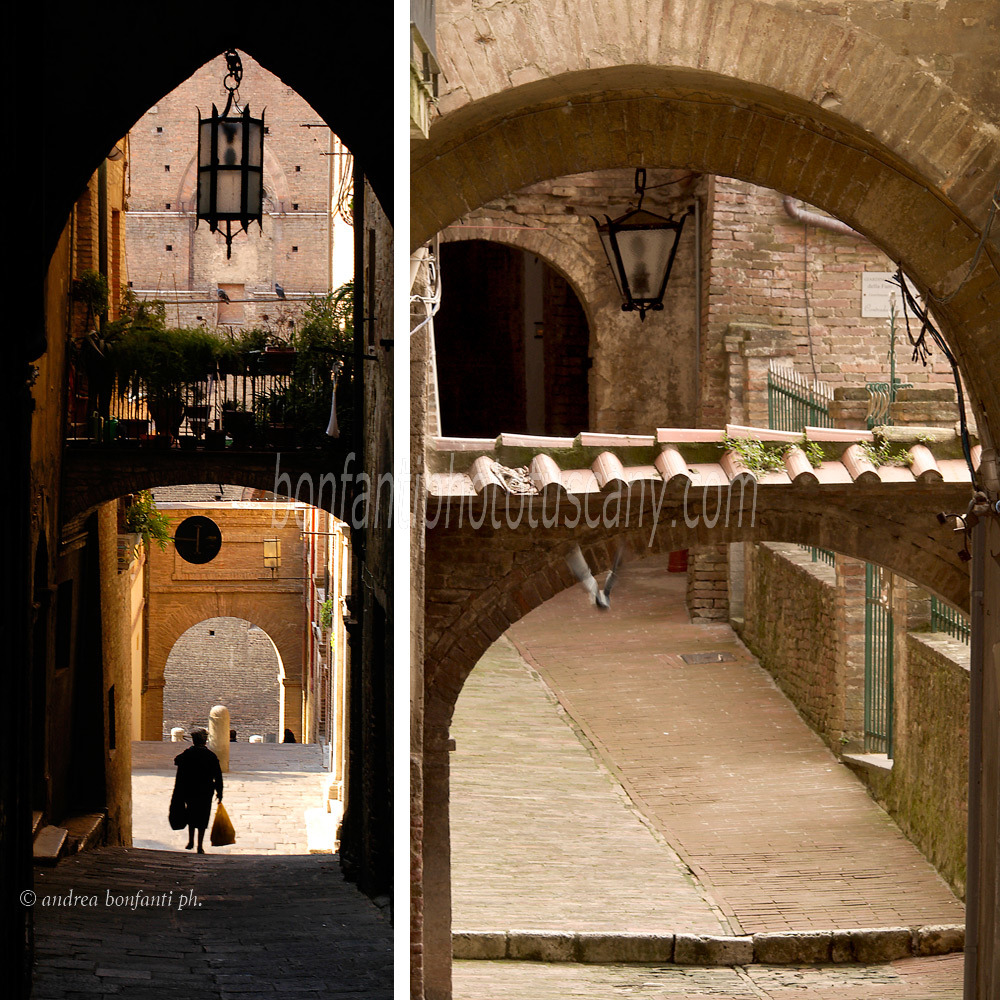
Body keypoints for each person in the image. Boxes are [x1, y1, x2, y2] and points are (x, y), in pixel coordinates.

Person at [173, 727, 223, 853]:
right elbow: (218, 775)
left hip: (190, 788)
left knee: (191, 813)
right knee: (202, 817)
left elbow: (177, 760)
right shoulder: (211, 756)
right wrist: (220, 792)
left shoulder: (188, 753)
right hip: (205, 790)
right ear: (205, 741)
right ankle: (200, 845)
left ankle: (190, 841)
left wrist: (189, 750)